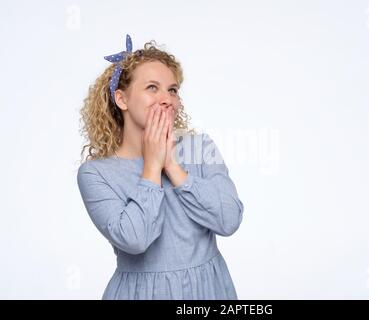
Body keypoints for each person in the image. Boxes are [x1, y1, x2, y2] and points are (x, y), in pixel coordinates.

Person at [76, 34, 244, 299]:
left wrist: (173, 167)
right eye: (152, 87)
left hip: (207, 291)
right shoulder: (96, 173)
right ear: (122, 99)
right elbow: (135, 239)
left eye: (172, 90)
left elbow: (229, 221)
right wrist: (152, 168)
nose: (167, 99)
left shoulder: (200, 148)